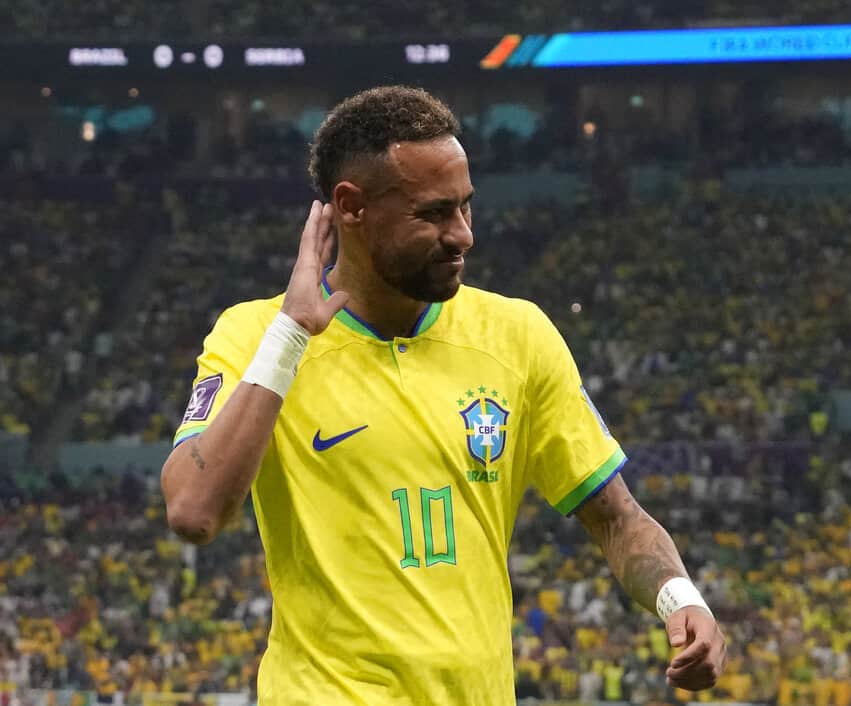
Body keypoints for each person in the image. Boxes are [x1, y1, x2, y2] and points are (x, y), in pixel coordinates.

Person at [160, 86, 726, 705]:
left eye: (465, 208)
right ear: (351, 207)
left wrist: (681, 599)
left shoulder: (518, 336)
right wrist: (293, 336)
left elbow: (617, 518)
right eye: (432, 213)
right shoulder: (257, 336)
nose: (462, 236)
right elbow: (194, 511)